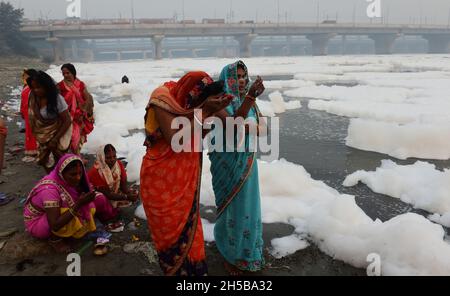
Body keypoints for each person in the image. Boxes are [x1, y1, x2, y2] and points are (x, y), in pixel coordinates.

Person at [140, 71, 232, 276]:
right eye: (198, 103)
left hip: (184, 181)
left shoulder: (192, 105)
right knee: (171, 241)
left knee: (193, 238)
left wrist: (213, 111)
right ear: (191, 95)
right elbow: (176, 140)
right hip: (161, 181)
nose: (197, 107)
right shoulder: (162, 99)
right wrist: (204, 112)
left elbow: (203, 132)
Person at [208, 60, 266, 275]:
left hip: (247, 162)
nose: (241, 80)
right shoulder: (219, 100)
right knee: (231, 206)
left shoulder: (248, 101)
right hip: (226, 162)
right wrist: (250, 98)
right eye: (237, 76)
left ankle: (248, 249)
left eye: (244, 76)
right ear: (227, 78)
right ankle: (230, 254)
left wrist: (253, 126)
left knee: (248, 205)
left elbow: (263, 128)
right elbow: (233, 123)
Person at [24, 154, 117, 252]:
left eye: (80, 173)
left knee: (97, 199)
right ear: (61, 173)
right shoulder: (49, 190)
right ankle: (55, 239)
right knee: (69, 212)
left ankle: (77, 227)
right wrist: (78, 204)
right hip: (39, 222)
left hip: (62, 210)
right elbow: (54, 224)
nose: (78, 177)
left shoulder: (71, 181)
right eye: (73, 174)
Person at [28, 71, 73, 172]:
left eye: (39, 87)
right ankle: (52, 181)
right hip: (43, 136)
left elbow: (67, 120)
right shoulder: (33, 99)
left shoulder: (57, 99)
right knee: (45, 162)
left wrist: (55, 139)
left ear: (47, 86)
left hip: (59, 132)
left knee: (61, 162)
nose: (36, 90)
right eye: (33, 88)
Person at [58, 63, 95, 154]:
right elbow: (58, 101)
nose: (66, 75)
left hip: (79, 116)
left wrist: (84, 112)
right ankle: (73, 157)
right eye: (64, 74)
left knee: (78, 137)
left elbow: (87, 99)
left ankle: (76, 156)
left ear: (73, 73)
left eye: (68, 73)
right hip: (66, 116)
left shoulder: (80, 84)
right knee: (68, 137)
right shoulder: (60, 86)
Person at [88, 144, 138, 209]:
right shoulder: (95, 171)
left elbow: (123, 186)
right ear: (102, 157)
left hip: (114, 193)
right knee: (101, 200)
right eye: (108, 157)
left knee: (135, 192)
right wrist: (126, 196)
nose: (112, 160)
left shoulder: (118, 165)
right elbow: (107, 194)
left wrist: (129, 193)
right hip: (102, 196)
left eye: (114, 156)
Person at [20, 69, 39, 162]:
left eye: (26, 76)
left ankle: (35, 150)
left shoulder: (34, 88)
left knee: (33, 132)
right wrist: (21, 111)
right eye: (24, 76)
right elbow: (22, 100)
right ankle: (32, 150)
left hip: (33, 112)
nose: (25, 78)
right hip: (26, 112)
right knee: (29, 132)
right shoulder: (26, 86)